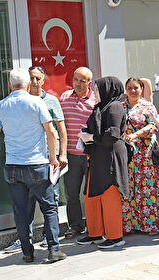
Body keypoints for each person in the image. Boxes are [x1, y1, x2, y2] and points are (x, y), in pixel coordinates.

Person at [0, 68, 66, 263]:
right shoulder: (37, 102)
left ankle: (27, 252)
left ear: (9, 85)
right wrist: (53, 158)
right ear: (28, 85)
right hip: (37, 164)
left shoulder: (1, 105)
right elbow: (50, 131)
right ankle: (54, 249)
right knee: (49, 208)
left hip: (13, 165)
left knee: (21, 211)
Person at [76, 77, 128, 249]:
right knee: (91, 195)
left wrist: (91, 137)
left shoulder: (114, 107)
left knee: (109, 195)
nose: (94, 92)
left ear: (107, 90)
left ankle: (115, 236)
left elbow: (113, 134)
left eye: (97, 89)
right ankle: (95, 233)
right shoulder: (101, 107)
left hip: (110, 158)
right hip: (98, 157)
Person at [121, 77, 159, 235]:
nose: (133, 91)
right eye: (129, 88)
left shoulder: (147, 106)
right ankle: (134, 224)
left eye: (136, 87)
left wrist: (135, 135)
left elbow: (152, 126)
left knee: (148, 189)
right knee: (131, 189)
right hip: (129, 155)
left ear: (141, 89)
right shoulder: (121, 107)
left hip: (146, 154)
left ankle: (151, 224)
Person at [59, 67, 97, 239]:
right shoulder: (64, 98)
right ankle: (75, 226)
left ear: (90, 83)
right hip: (71, 156)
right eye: (76, 79)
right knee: (71, 193)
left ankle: (93, 224)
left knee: (91, 192)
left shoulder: (96, 100)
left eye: (83, 80)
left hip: (91, 155)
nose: (79, 84)